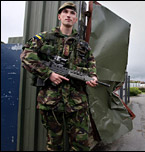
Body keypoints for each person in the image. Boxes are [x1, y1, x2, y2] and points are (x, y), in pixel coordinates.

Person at [20, 2, 98, 151]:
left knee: (81, 144)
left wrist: (92, 77)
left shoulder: (83, 46)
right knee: (54, 145)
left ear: (75, 19)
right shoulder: (44, 38)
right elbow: (26, 56)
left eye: (72, 13)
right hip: (51, 101)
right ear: (59, 16)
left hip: (77, 103)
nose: (68, 15)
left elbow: (91, 66)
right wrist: (48, 74)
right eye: (65, 12)